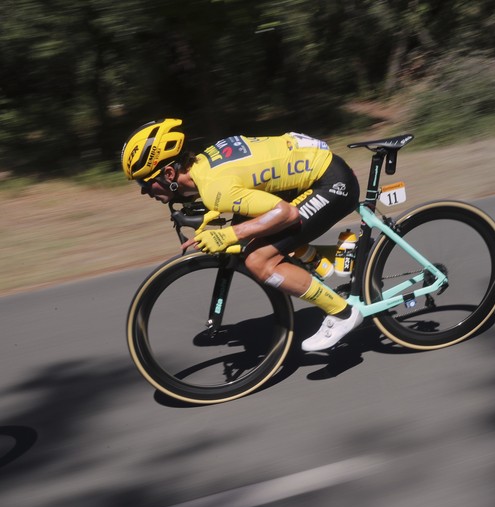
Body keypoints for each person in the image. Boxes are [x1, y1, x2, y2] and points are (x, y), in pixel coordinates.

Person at [121, 118, 363, 351]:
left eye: (144, 183)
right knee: (254, 230)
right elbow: (241, 187)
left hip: (331, 184)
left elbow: (284, 213)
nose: (144, 192)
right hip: (316, 172)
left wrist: (225, 235)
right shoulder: (204, 164)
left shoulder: (215, 189)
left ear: (169, 175)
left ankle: (342, 313)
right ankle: (337, 255)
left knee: (258, 260)